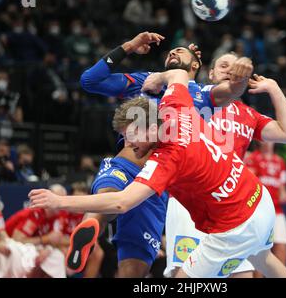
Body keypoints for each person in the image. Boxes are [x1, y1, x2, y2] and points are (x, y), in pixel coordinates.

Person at [29, 68, 286, 278]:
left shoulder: (166, 159)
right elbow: (179, 74)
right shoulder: (176, 107)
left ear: (148, 126)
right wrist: (160, 78)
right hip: (259, 203)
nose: (130, 144)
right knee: (264, 258)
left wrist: (59, 201)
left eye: (132, 136)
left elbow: (121, 202)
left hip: (235, 224)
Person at [72, 32, 253, 277]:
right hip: (130, 163)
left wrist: (242, 74)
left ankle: (93, 223)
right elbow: (89, 81)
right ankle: (89, 229)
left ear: (195, 64)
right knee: (111, 197)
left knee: (134, 269)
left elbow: (233, 90)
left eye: (181, 51)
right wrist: (129, 46)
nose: (173, 52)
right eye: (171, 51)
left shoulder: (203, 93)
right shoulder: (144, 81)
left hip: (160, 182)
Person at [164, 53, 286, 278]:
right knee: (184, 273)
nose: (228, 69)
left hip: (231, 206)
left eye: (233, 66)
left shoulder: (249, 115)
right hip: (190, 202)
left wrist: (274, 88)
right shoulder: (194, 97)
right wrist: (187, 58)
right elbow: (174, 78)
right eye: (223, 65)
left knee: (244, 274)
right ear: (210, 73)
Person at [5, 184, 67, 278]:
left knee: (57, 256)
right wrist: (46, 239)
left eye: (63, 199)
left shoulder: (59, 215)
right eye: (58, 198)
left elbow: (56, 239)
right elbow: (17, 240)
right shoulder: (35, 213)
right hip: (9, 248)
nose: (60, 203)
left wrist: (49, 248)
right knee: (34, 256)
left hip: (35, 246)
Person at [245, 142, 286, 267]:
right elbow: (249, 182)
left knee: (281, 246)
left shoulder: (280, 161)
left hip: (277, 211)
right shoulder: (252, 158)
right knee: (260, 251)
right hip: (258, 210)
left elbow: (282, 188)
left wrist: (284, 195)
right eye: (264, 138)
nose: (267, 141)